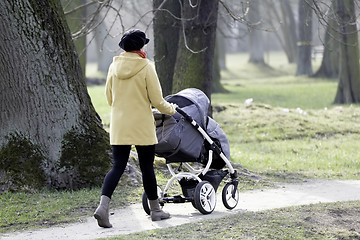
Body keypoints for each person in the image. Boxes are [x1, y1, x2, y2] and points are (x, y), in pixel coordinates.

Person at [94, 29, 177, 228]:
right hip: (141, 124)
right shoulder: (146, 67)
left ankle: (103, 208)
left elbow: (109, 98)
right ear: (140, 46)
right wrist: (172, 110)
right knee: (147, 167)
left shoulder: (114, 66)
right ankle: (156, 210)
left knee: (117, 166)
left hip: (120, 124)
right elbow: (158, 101)